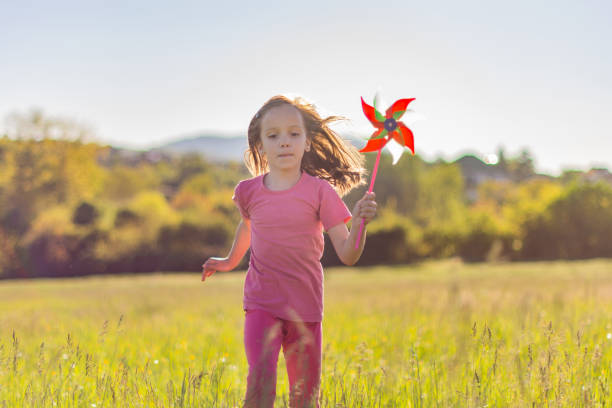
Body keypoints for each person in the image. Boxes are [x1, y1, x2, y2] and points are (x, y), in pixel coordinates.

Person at [201, 95, 377, 407]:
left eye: (294, 134)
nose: (284, 142)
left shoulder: (322, 192)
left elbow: (349, 255)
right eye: (274, 135)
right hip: (261, 303)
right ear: (261, 145)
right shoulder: (248, 192)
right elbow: (248, 227)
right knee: (259, 385)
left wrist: (361, 221)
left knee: (305, 397)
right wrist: (229, 261)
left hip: (305, 308)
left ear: (308, 142)